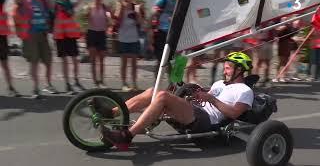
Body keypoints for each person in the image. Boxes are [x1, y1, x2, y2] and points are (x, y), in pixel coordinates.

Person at [96, 52, 254, 151]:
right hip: (194, 109)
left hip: (206, 120)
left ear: (239, 70)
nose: (224, 71)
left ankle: (126, 137)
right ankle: (112, 112)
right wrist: (196, 92)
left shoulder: (245, 91)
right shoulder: (219, 83)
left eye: (228, 68)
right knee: (153, 92)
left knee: (163, 97)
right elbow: (207, 96)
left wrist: (211, 98)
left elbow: (234, 113)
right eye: (225, 67)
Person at [14, 0, 58, 98]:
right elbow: (16, 0)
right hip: (30, 35)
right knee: (34, 62)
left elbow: (50, 0)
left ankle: (48, 85)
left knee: (48, 60)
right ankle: (35, 88)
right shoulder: (23, 0)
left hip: (43, 33)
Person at [49, 0, 85, 93]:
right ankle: (67, 83)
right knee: (64, 61)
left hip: (71, 35)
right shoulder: (55, 4)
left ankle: (76, 80)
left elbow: (79, 1)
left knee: (75, 60)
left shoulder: (69, 3)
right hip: (60, 36)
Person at [113, 0, 143, 91]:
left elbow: (140, 22)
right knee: (124, 63)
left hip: (134, 39)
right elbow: (116, 21)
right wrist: (120, 8)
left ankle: (134, 83)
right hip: (123, 39)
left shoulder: (135, 8)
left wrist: (137, 11)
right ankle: (124, 83)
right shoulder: (120, 9)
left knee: (134, 64)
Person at [150, 0, 180, 78]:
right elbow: (152, 14)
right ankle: (156, 84)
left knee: (172, 60)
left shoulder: (180, 2)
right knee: (160, 60)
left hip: (174, 34)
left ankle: (172, 85)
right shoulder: (163, 0)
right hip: (162, 33)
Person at [85, 0, 112, 88]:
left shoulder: (105, 7)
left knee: (101, 60)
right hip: (91, 33)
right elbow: (83, 21)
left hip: (101, 34)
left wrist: (109, 20)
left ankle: (101, 81)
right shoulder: (88, 7)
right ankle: (95, 82)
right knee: (93, 59)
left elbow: (110, 21)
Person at [0, 0, 20, 97]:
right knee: (4, 63)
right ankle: (11, 88)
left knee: (4, 63)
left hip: (1, 35)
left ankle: (10, 87)